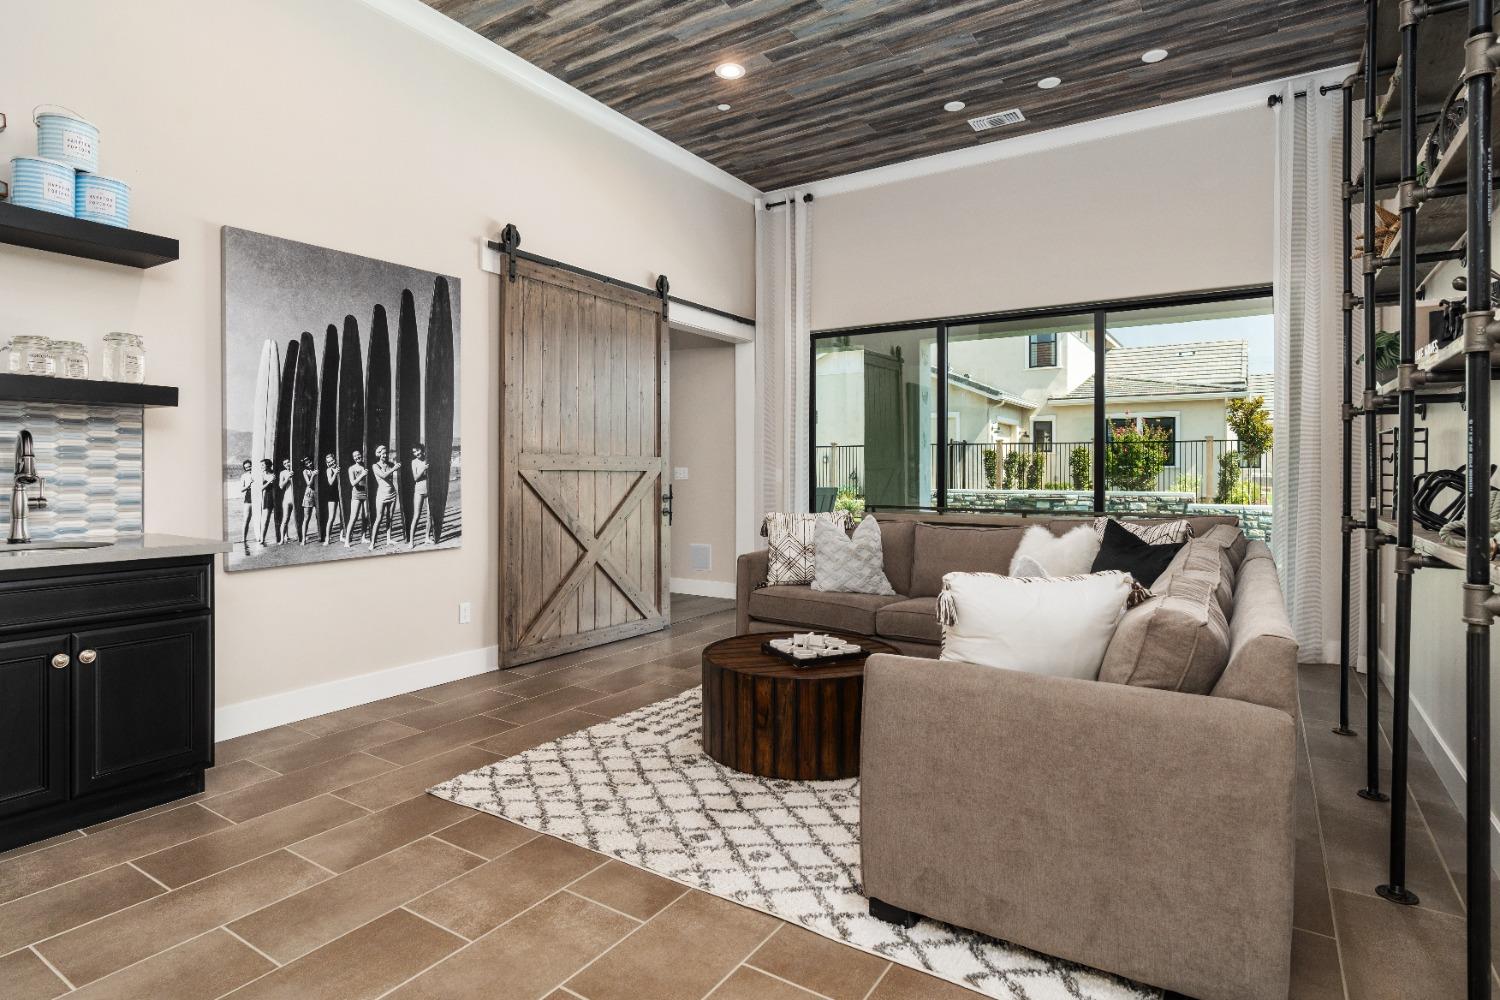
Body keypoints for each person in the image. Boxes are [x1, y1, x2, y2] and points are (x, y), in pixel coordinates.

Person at [368, 444, 400, 550]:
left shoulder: (390, 464)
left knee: (389, 518)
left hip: (392, 493)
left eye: (386, 453)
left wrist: (395, 467)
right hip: (381, 495)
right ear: (378, 454)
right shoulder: (375, 466)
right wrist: (394, 468)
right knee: (378, 518)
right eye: (382, 454)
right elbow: (383, 475)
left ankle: (388, 539)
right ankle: (372, 542)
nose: (385, 455)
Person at [406, 443, 433, 548]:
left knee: (429, 516)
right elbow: (415, 478)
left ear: (422, 450)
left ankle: (427, 537)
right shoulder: (414, 462)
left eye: (417, 450)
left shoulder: (428, 459)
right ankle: (411, 541)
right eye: (414, 452)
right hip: (419, 491)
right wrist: (423, 469)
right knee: (416, 516)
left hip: (429, 490)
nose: (416, 453)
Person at [342, 450, 368, 546]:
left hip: (365, 494)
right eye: (355, 456)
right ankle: (347, 541)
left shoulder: (365, 466)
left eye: (358, 455)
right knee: (353, 517)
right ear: (353, 458)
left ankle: (363, 537)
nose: (357, 457)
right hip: (356, 494)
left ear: (361, 455)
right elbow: (353, 483)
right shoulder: (351, 468)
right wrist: (362, 475)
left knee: (365, 516)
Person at [321, 453, 342, 545]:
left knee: (342, 516)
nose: (331, 463)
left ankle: (342, 536)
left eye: (332, 460)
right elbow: (330, 482)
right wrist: (336, 473)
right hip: (332, 494)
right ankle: (327, 538)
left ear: (335, 459)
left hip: (340, 493)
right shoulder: (329, 470)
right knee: (331, 517)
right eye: (328, 462)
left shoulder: (339, 467)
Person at [298, 457, 318, 545]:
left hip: (317, 494)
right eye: (307, 464)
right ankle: (303, 539)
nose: (309, 464)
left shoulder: (316, 467)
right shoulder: (305, 471)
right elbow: (309, 484)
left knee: (318, 516)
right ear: (305, 465)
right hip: (309, 494)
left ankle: (321, 534)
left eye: (310, 462)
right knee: (307, 518)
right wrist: (313, 475)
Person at [256, 459, 277, 546]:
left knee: (279, 516)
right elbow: (261, 488)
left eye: (263, 465)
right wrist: (269, 481)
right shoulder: (262, 475)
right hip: (268, 497)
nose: (262, 467)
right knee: (266, 519)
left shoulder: (274, 473)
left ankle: (285, 536)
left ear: (268, 465)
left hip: (276, 496)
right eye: (261, 465)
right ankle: (262, 538)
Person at [277, 458, 296, 543]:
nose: (287, 464)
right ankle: (282, 539)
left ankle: (300, 536)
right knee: (285, 519)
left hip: (295, 498)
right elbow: (281, 486)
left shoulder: (296, 470)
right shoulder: (283, 473)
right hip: (287, 498)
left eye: (288, 462)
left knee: (297, 518)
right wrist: (287, 478)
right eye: (285, 463)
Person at [238, 459, 254, 553]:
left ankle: (259, 537)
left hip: (258, 496)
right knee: (246, 519)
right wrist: (248, 485)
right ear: (244, 468)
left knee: (258, 517)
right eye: (246, 467)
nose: (248, 468)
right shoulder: (244, 476)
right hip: (248, 496)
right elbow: (242, 489)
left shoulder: (257, 472)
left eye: (250, 466)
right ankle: (243, 539)